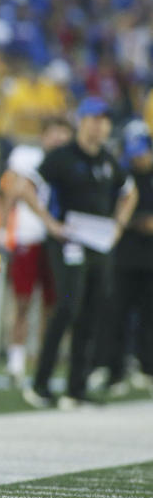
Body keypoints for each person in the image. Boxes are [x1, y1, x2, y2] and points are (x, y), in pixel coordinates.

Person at [17, 97, 138, 408]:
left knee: (95, 309)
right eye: (95, 119)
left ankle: (76, 387)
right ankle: (41, 383)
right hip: (68, 240)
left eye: (105, 120)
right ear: (82, 121)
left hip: (99, 241)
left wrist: (119, 225)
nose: (100, 125)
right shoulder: (62, 156)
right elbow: (26, 186)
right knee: (68, 307)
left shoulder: (109, 160)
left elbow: (129, 192)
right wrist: (49, 222)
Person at [0, 116, 71, 386]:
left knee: (51, 306)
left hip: (56, 240)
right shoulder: (26, 156)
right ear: (44, 134)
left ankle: (44, 361)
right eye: (54, 132)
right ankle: (16, 361)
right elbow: (12, 193)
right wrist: (2, 228)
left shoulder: (67, 162)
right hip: (28, 234)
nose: (59, 139)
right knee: (22, 301)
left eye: (63, 134)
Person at [104, 126, 153, 392]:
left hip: (150, 258)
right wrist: (134, 222)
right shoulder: (123, 176)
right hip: (124, 256)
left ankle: (148, 368)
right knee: (118, 314)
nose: (138, 159)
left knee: (149, 316)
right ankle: (115, 370)